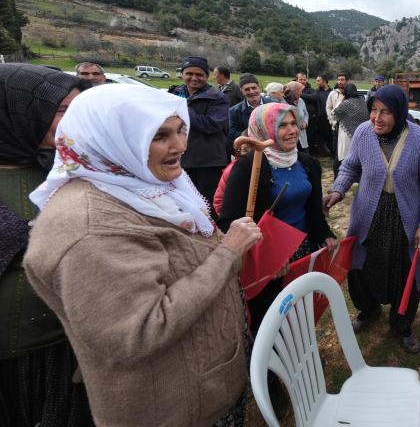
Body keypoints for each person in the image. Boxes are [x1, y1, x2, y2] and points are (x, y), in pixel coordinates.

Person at [23, 84, 262, 426]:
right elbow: (141, 331)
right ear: (110, 138)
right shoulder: (91, 230)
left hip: (202, 389)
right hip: (170, 410)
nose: (180, 145)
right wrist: (228, 253)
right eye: (159, 135)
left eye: (180, 130)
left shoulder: (139, 184)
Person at [0, 64, 93, 427]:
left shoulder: (69, 172)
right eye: (61, 110)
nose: (72, 121)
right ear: (18, 110)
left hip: (62, 349)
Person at [324, 85, 420, 354]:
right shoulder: (364, 133)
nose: (377, 117)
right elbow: (350, 165)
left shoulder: (419, 139)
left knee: (403, 270)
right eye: (374, 110)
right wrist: (337, 190)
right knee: (363, 266)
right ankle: (369, 309)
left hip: (404, 218)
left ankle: (402, 324)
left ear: (398, 112)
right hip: (369, 214)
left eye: (385, 112)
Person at [218, 102, 337, 336]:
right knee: (271, 319)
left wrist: (324, 234)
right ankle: (270, 358)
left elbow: (313, 211)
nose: (292, 130)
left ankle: (300, 350)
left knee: (300, 312)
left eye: (294, 123)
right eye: (282, 125)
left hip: (302, 252)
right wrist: (267, 256)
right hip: (266, 259)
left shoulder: (307, 163)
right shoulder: (248, 168)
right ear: (264, 129)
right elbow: (229, 222)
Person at [167, 56, 230, 214]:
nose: (194, 78)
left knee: (206, 206)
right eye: (189, 73)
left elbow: (212, 125)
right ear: (182, 74)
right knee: (181, 204)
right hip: (178, 158)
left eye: (199, 74)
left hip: (207, 162)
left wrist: (182, 108)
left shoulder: (218, 98)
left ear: (207, 76)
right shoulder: (174, 93)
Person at [332, 83, 369, 177]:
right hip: (361, 135)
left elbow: (334, 114)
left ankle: (341, 178)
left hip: (346, 135)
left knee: (344, 159)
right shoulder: (363, 102)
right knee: (358, 159)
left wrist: (340, 100)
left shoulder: (346, 103)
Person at [229, 73, 274, 145]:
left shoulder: (273, 105)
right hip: (250, 147)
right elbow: (233, 133)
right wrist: (252, 137)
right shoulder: (234, 111)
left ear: (259, 87)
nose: (251, 92)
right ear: (242, 91)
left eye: (254, 88)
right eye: (247, 89)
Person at [283, 81, 309, 151]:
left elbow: (306, 114)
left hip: (301, 135)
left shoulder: (301, 101)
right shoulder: (283, 102)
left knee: (305, 153)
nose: (301, 93)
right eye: (300, 91)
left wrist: (305, 122)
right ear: (294, 91)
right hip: (289, 136)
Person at [312, 74, 333, 156]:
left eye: (318, 81)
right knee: (320, 139)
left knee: (330, 140)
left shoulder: (332, 92)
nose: (317, 82)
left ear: (324, 81)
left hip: (330, 121)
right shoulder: (317, 91)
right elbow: (311, 98)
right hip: (320, 121)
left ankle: (334, 155)